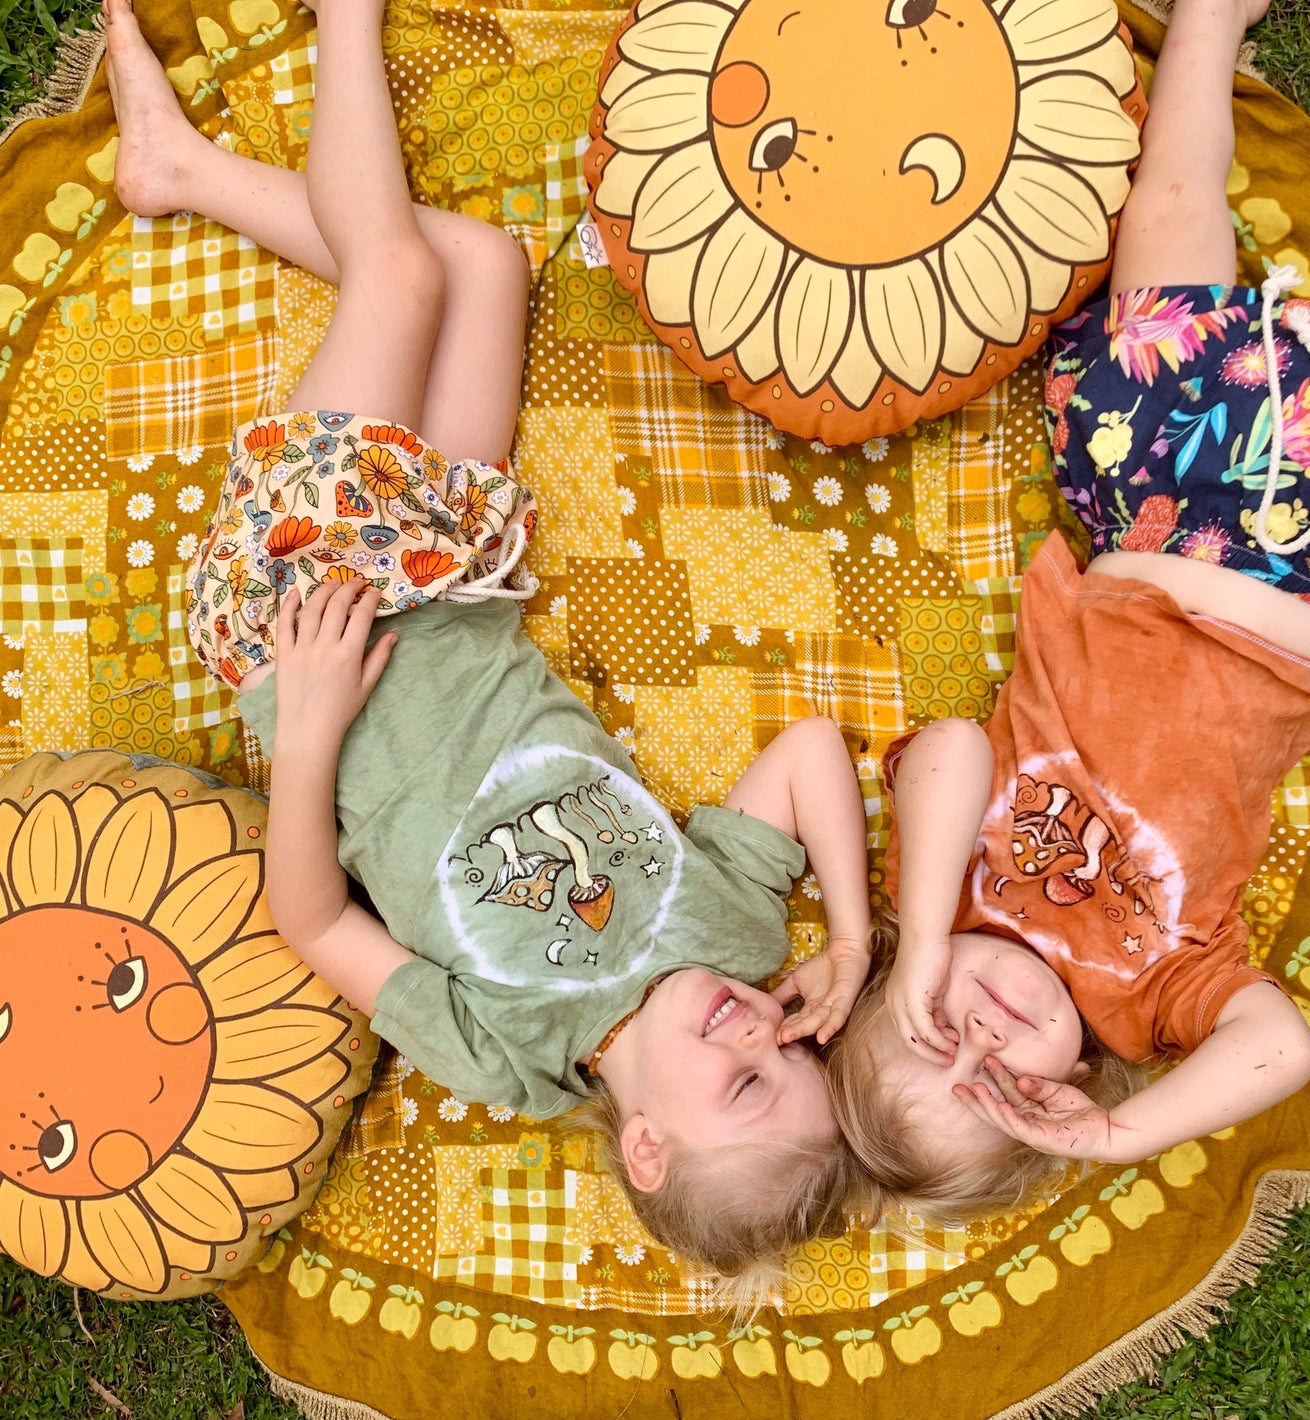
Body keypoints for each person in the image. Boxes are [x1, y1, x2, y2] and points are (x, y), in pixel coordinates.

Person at [101, 0, 875, 1291]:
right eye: (791, 1059)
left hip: (305, 616)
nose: (762, 1034)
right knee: (485, 265)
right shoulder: (739, 935)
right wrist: (844, 936)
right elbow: (803, 754)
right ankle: (178, 174)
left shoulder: (509, 1054)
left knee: (401, 277)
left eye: (742, 1085)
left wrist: (313, 726)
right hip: (454, 565)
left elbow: (311, 919)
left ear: (643, 1145)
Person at [826, 0, 1310, 1222]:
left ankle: (1209, 24)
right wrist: (1116, 1132)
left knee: (1165, 219)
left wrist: (921, 943)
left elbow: (947, 749)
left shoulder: (941, 888)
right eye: (1000, 1082)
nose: (984, 1034)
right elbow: (1280, 1050)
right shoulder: (1151, 999)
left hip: (1153, 488)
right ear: (1060, 1086)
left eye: (932, 1035)